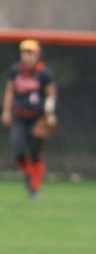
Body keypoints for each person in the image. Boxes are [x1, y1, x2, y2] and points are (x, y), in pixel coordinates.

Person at [1, 39, 57, 198]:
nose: (26, 56)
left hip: (38, 119)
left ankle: (35, 188)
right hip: (19, 116)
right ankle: (28, 174)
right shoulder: (15, 71)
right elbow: (10, 91)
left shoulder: (44, 73)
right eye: (24, 52)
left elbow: (51, 95)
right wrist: (6, 111)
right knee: (19, 151)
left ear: (37, 55)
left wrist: (50, 114)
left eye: (30, 52)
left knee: (35, 154)